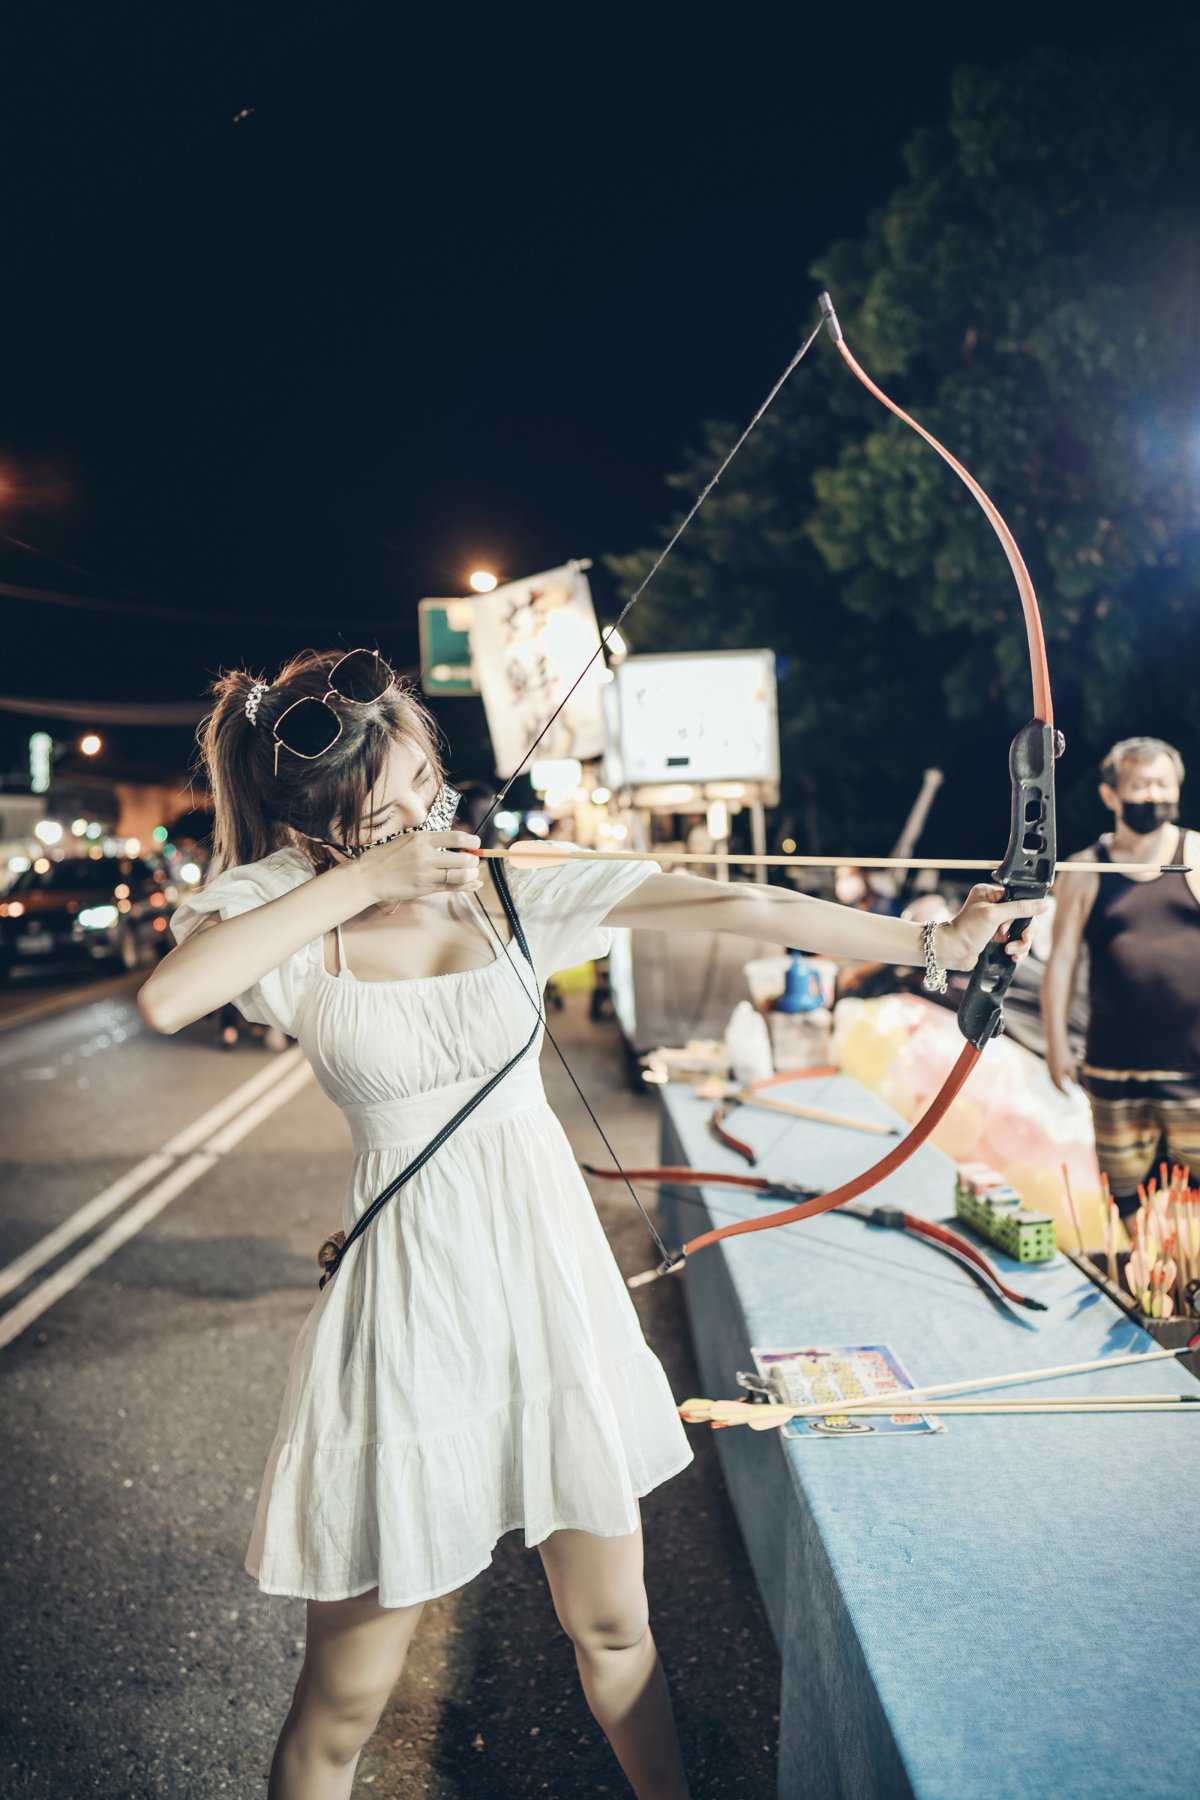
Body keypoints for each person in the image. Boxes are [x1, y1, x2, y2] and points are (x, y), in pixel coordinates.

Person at [136, 647, 1042, 1800]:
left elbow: (734, 899)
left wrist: (932, 946)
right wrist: (366, 884)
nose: (432, 815)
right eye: (396, 804)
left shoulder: (511, 887)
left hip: (549, 1292)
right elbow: (171, 995)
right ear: (323, 822)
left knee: (616, 1632)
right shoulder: (290, 909)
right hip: (409, 1318)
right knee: (346, 1698)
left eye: (431, 782)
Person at [1041, 735, 1200, 1220]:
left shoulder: (1196, 853)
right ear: (1111, 795)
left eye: (1162, 784)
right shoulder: (1087, 868)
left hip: (1194, 1067)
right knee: (1126, 1197)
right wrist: (1055, 1044)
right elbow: (1062, 959)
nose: (1152, 795)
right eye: (1140, 784)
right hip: (1114, 1064)